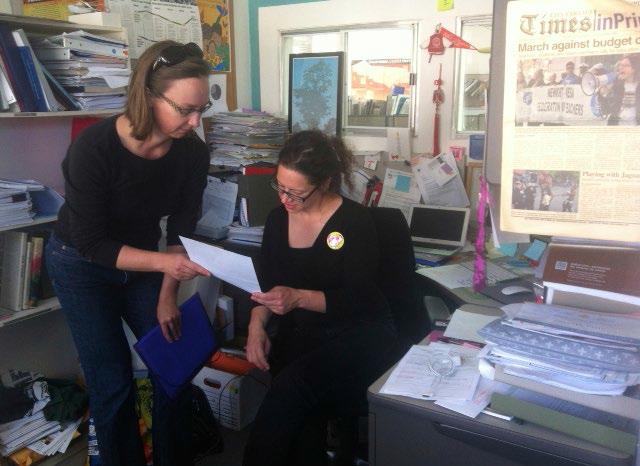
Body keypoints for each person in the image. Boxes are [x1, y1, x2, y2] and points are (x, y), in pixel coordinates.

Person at [45, 41, 212, 466]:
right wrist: (164, 265)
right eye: (185, 110)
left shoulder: (192, 152)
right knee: (112, 383)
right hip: (80, 265)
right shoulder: (94, 149)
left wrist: (167, 294)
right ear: (149, 97)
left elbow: (181, 228)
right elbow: (92, 243)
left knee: (175, 365)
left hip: (141, 264)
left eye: (201, 110)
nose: (194, 122)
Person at [243, 130, 398, 466]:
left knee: (292, 387)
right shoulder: (276, 219)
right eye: (280, 187)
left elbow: (356, 299)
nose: (285, 200)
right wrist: (256, 326)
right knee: (292, 400)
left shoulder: (354, 221)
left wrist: (297, 298)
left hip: (360, 330)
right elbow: (267, 286)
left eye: (296, 193)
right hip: (306, 330)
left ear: (325, 182)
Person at [597, 54, 640, 126]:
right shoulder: (617, 86)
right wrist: (603, 96)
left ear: (634, 68)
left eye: (625, 65)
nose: (620, 68)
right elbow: (606, 111)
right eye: (620, 65)